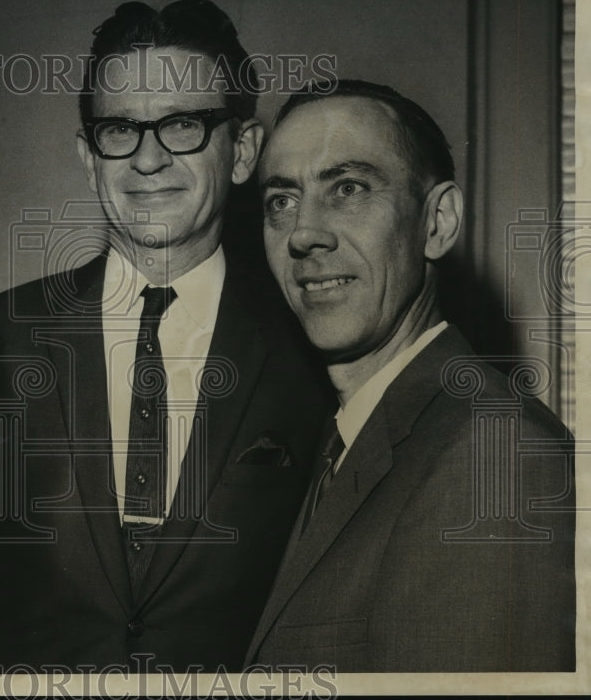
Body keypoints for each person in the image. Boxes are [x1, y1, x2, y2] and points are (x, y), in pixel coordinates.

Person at [0, 0, 330, 671]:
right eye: (120, 130)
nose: (149, 159)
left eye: (184, 124)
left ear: (243, 150)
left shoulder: (313, 349)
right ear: (87, 154)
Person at [245, 80, 575, 671]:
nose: (302, 233)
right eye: (282, 201)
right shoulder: (342, 437)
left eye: (348, 188)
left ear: (437, 222)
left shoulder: (495, 456)